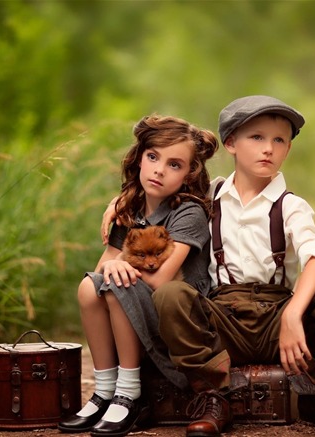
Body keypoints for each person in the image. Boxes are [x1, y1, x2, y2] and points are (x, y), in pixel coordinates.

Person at [147, 96, 315, 436]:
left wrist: (291, 315)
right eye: (256, 137)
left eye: (279, 140)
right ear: (230, 143)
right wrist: (116, 206)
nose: (268, 149)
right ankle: (215, 395)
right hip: (223, 319)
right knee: (170, 295)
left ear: (287, 149)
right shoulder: (206, 197)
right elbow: (153, 199)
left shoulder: (291, 205)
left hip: (278, 318)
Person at [58, 114, 219, 437]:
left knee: (119, 285)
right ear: (140, 159)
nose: (159, 169)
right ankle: (104, 390)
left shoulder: (189, 213)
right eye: (153, 157)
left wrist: (121, 267)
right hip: (139, 306)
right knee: (90, 288)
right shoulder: (129, 209)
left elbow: (161, 281)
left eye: (175, 165)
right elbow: (103, 268)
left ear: (189, 175)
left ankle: (129, 392)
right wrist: (113, 262)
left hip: (179, 318)